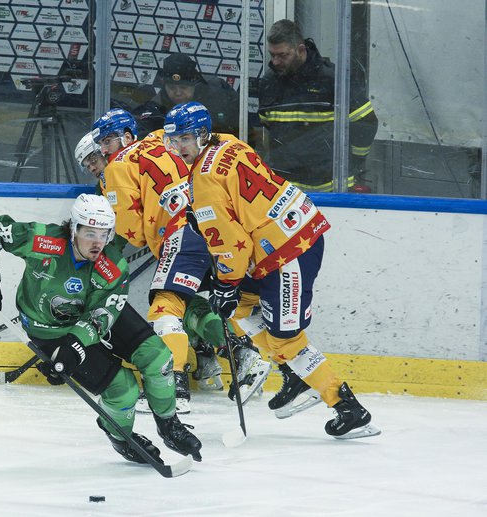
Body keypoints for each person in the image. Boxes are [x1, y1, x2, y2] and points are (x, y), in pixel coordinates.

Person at [162, 101, 381, 439]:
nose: (179, 149)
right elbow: (240, 201)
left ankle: (347, 407)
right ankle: (292, 376)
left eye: (185, 140)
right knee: (238, 307)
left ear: (202, 134)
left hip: (288, 252)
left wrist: (225, 283)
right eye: (174, 141)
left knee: (285, 339)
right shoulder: (229, 142)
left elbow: (232, 245)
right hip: (287, 235)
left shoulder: (202, 183)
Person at [0, 193, 203, 463]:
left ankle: (169, 424)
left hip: (95, 311)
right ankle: (121, 436)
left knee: (158, 356)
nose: (98, 243)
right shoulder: (43, 240)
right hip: (51, 330)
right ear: (73, 229)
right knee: (123, 389)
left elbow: (103, 313)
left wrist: (75, 346)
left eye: (104, 234)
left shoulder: (113, 265)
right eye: (90, 233)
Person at [90, 108, 270, 413]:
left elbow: (130, 232)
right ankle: (242, 356)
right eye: (101, 144)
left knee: (163, 308)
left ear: (128, 136)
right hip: (219, 229)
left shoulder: (117, 167)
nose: (104, 150)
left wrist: (109, 253)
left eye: (108, 140)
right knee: (190, 305)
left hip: (183, 231)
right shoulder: (164, 139)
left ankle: (173, 387)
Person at [257, 19, 378, 193]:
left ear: (300, 50)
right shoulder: (269, 82)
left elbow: (366, 122)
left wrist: (354, 160)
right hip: (284, 190)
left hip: (329, 189)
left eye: (283, 55)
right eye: (273, 55)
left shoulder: (332, 79)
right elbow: (268, 128)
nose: (275, 62)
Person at [133, 53, 240, 138]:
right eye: (172, 87)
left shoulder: (219, 96)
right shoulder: (155, 110)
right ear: (164, 85)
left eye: (184, 87)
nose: (178, 92)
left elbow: (244, 131)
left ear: (195, 83)